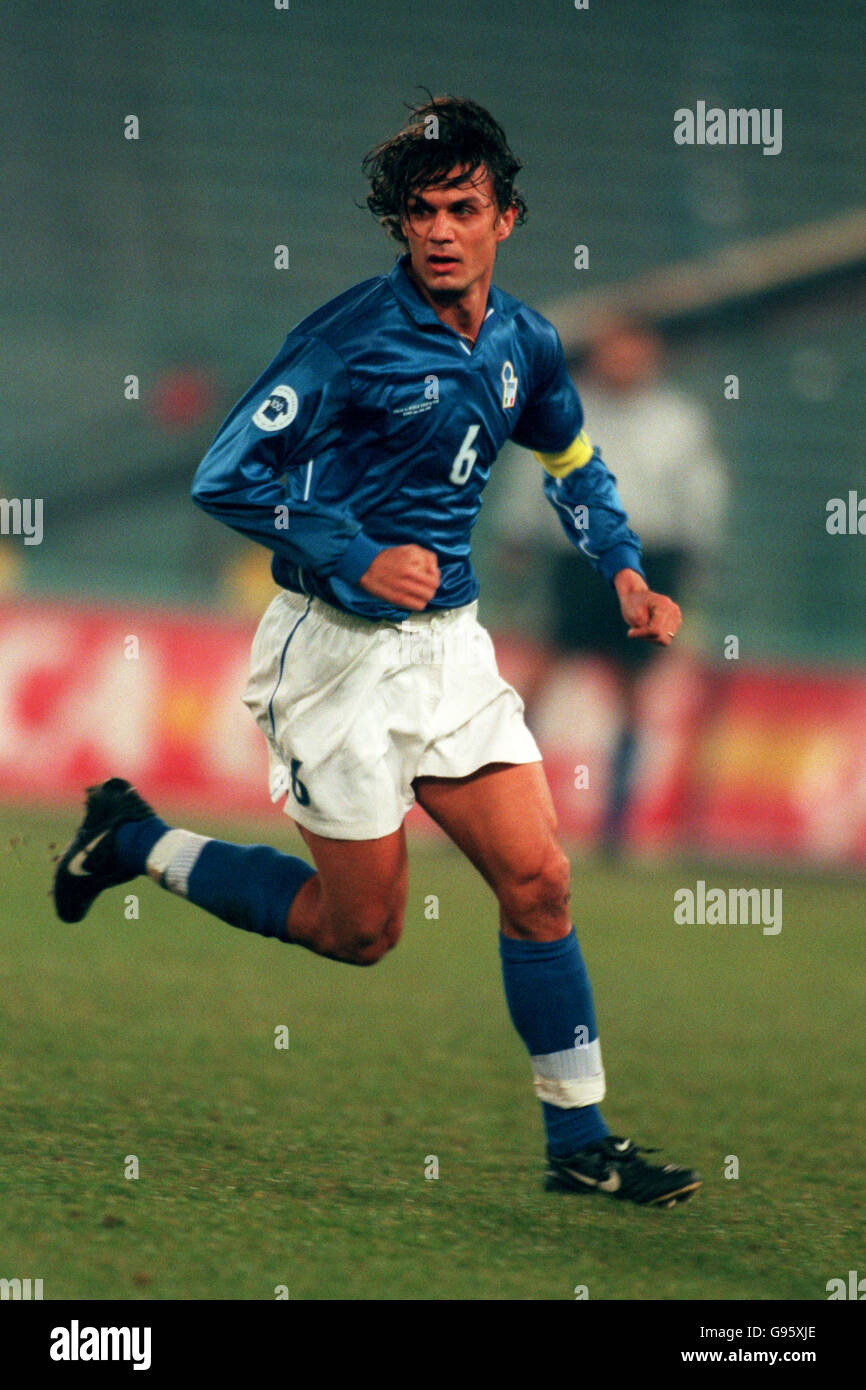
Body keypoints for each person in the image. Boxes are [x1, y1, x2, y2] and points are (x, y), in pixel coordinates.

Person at [54, 97, 700, 1207]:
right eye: (418, 211)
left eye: (461, 207)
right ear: (398, 226)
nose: (439, 229)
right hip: (334, 655)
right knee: (360, 933)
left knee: (538, 881)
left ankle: (578, 1141)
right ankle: (137, 841)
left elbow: (572, 461)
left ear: (506, 218)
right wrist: (352, 553)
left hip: (448, 651)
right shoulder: (346, 339)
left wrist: (625, 569)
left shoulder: (525, 342)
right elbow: (224, 474)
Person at [497, 316, 728, 852]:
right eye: (613, 349)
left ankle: (616, 826)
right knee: (539, 678)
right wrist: (519, 536)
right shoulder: (568, 411)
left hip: (650, 561)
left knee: (635, 692)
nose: (623, 361)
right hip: (577, 559)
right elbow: (537, 477)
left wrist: (695, 555)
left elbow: (701, 492)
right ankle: (504, 810)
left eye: (634, 350)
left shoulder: (678, 421)